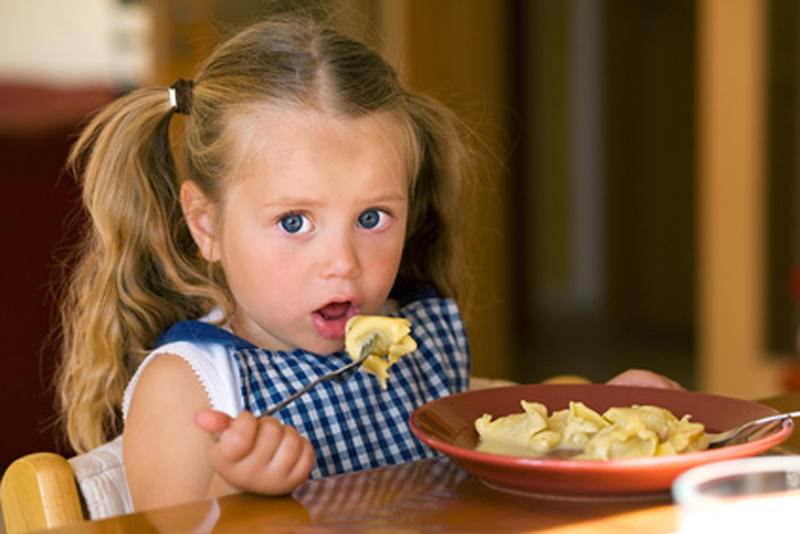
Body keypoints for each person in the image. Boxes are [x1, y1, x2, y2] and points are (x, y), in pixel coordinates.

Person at [55, 16, 680, 512]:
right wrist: (238, 493)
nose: (343, 264)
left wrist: (605, 413)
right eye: (295, 222)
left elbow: (495, 439)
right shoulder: (191, 386)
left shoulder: (415, 340)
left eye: (373, 218)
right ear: (207, 225)